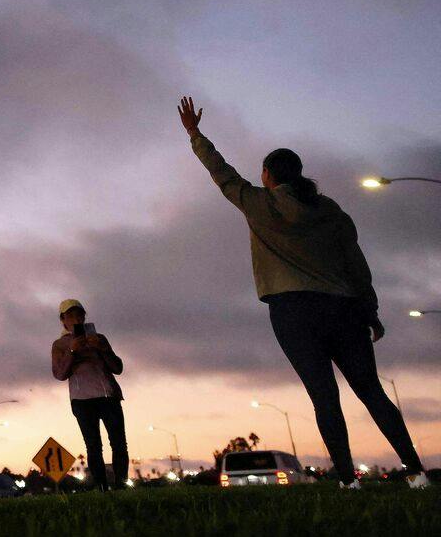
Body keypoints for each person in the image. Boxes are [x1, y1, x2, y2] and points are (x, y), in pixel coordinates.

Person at [178, 96, 430, 489]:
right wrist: (371, 311)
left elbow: (221, 172)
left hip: (293, 310)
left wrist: (195, 133)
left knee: (324, 396)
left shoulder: (258, 204)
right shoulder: (329, 210)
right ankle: (416, 472)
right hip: (344, 308)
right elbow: (356, 264)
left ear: (267, 175)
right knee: (372, 391)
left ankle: (348, 481)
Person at [51, 298, 128, 489]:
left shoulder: (99, 338)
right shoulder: (59, 345)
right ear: (63, 320)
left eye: (80, 314)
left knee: (119, 443)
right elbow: (59, 374)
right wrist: (72, 351)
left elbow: (117, 367)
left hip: (108, 396)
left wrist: (102, 349)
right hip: (81, 400)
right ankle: (101, 486)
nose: (76, 318)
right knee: (93, 446)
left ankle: (121, 483)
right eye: (71, 315)